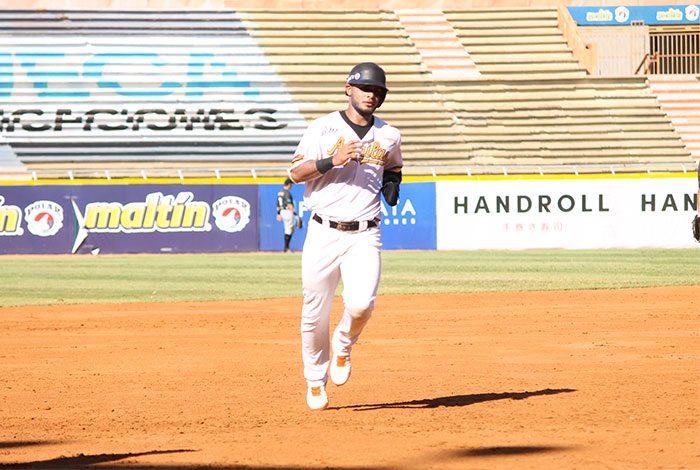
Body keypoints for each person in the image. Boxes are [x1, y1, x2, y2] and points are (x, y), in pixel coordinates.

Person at [289, 62, 403, 410]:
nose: (372, 94)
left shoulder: (389, 134)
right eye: (366, 88)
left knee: (360, 305)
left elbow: (393, 165)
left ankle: (343, 343)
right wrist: (331, 160)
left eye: (378, 90)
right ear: (348, 89)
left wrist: (392, 184)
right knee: (314, 312)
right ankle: (314, 380)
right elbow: (295, 173)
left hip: (365, 234)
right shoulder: (322, 128)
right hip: (323, 231)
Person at [276, 178, 299, 252]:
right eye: (291, 184)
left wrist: (278, 214)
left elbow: (278, 205)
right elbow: (289, 204)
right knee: (289, 229)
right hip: (287, 211)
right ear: (289, 184)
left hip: (282, 211)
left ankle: (286, 248)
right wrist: (295, 214)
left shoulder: (280, 192)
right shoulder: (287, 193)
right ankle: (286, 248)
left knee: (288, 229)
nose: (291, 186)